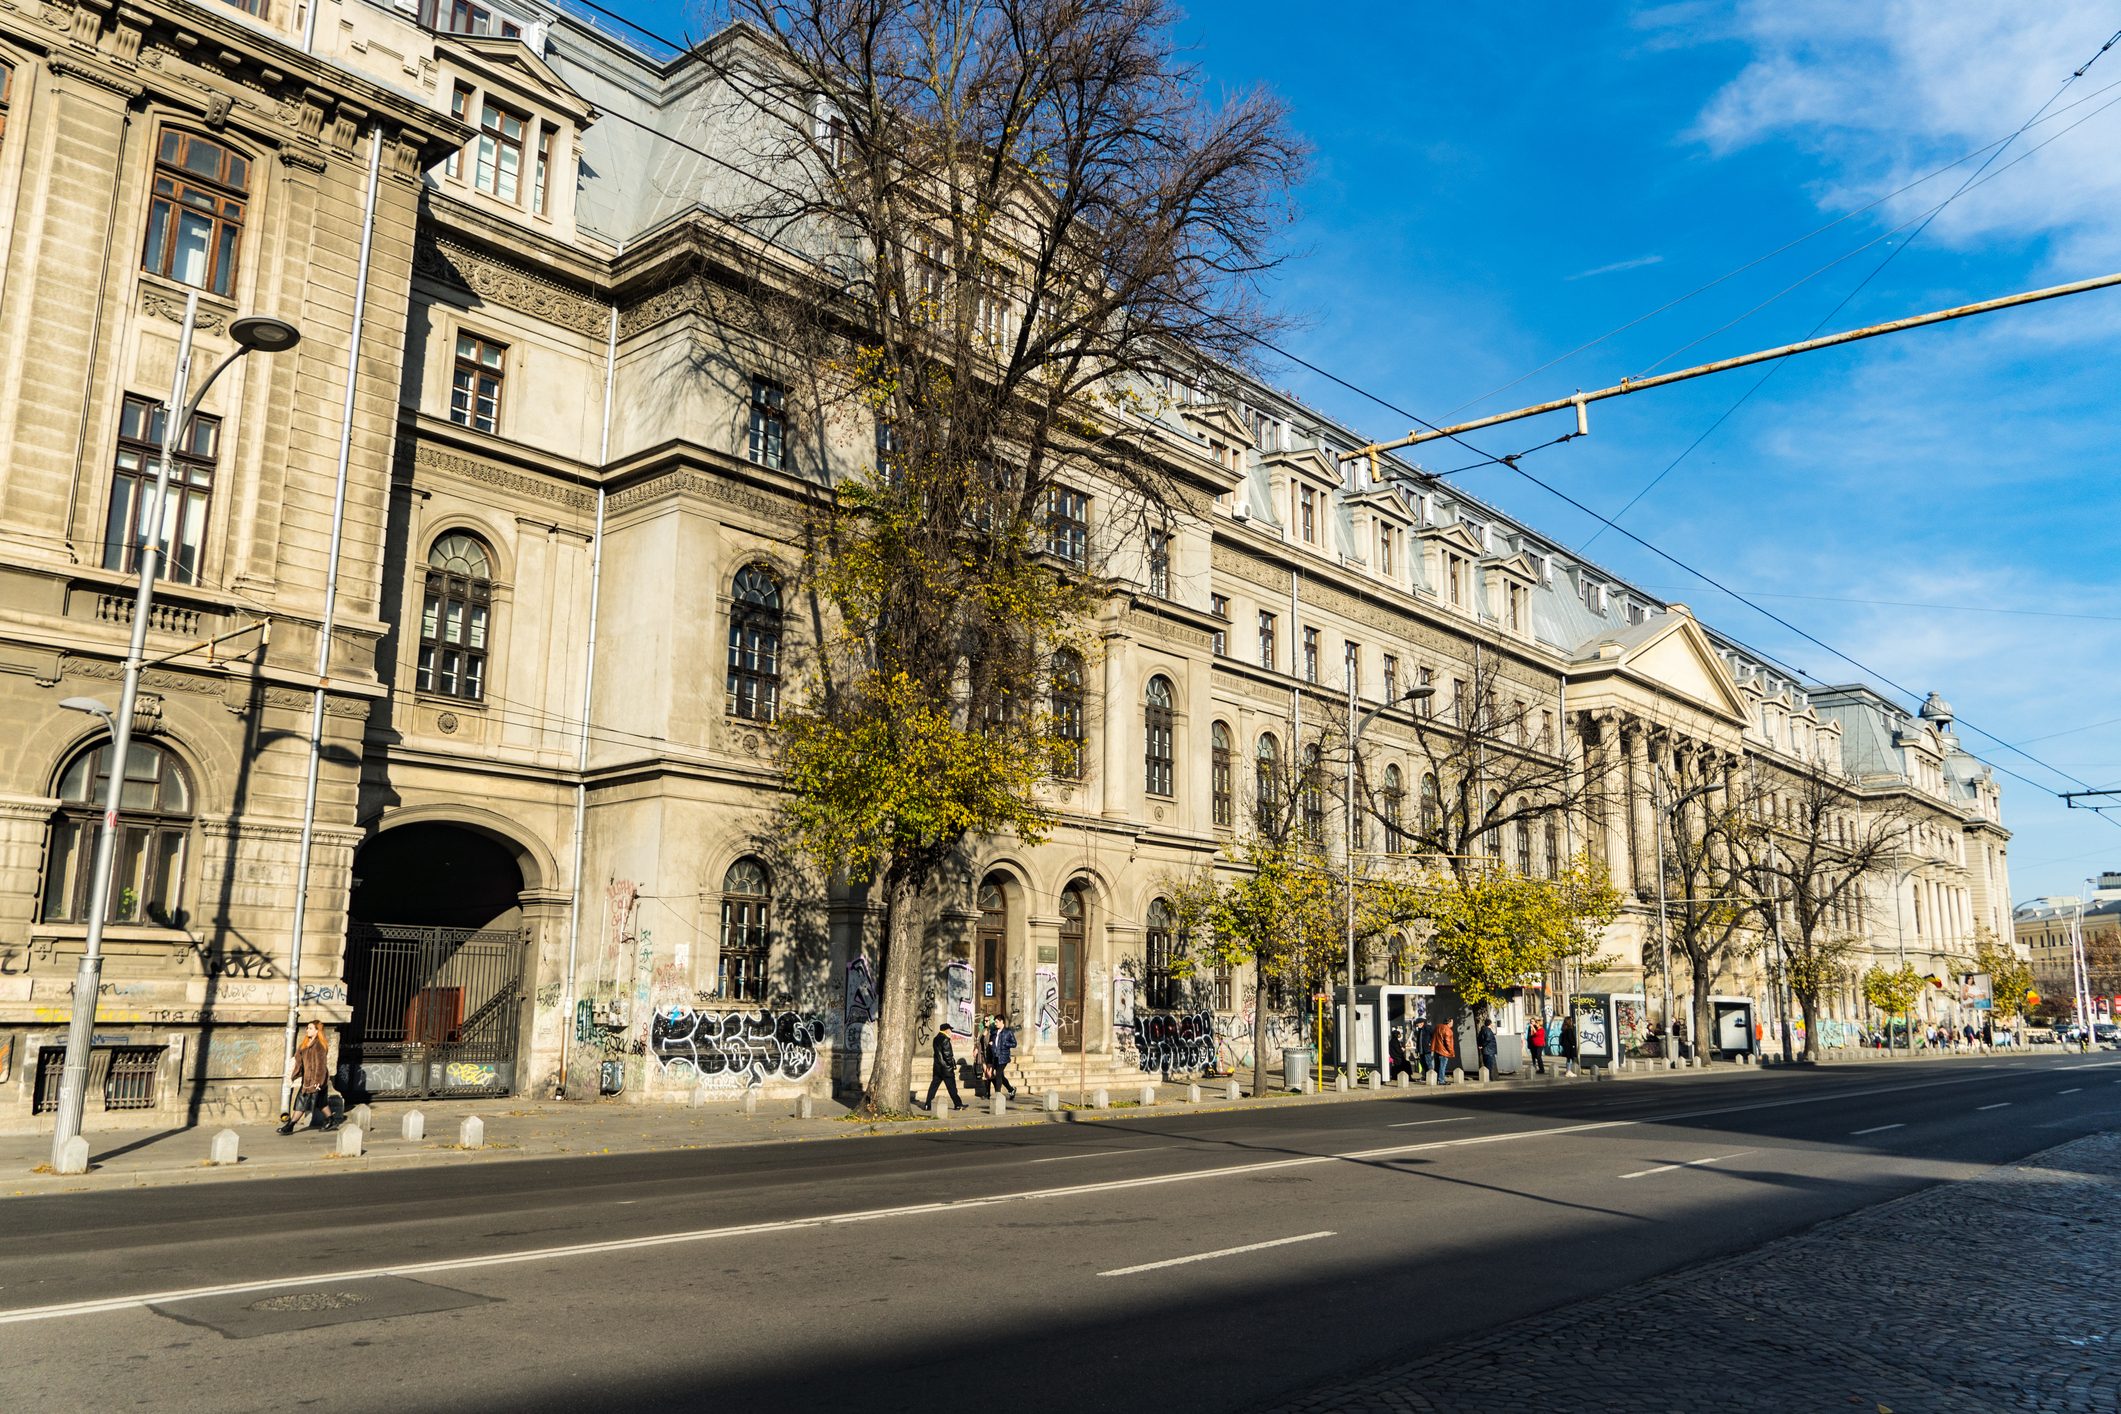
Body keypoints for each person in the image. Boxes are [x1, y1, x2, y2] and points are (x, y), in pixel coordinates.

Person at [279, 1020, 337, 1135]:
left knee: (310, 1102)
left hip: (316, 1080)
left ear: (317, 1031)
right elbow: (298, 1059)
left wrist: (318, 1081)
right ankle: (331, 1120)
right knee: (315, 1102)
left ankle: (290, 1126)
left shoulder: (319, 1045)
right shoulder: (305, 1043)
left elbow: (321, 1065)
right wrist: (295, 1073)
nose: (307, 1030)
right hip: (307, 1079)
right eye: (307, 1028)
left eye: (310, 1028)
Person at [924, 1024, 964, 1111]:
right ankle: (958, 1104)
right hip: (946, 1069)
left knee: (933, 1088)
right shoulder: (945, 1039)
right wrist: (952, 1065)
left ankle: (927, 1105)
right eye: (950, 1030)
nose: (950, 1032)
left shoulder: (936, 1038)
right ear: (946, 1030)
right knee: (952, 1088)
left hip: (937, 1068)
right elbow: (947, 1055)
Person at [989, 1016, 1018, 1094]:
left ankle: (997, 1093)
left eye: (996, 1022)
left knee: (998, 1074)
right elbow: (992, 1041)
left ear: (1002, 1021)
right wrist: (991, 1044)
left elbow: (1014, 1044)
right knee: (1001, 1075)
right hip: (995, 1056)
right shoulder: (995, 1032)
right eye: (995, 1022)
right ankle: (1011, 1089)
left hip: (1003, 1057)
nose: (995, 1024)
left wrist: (1005, 1044)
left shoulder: (1008, 1032)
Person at [1429, 1015, 1455, 1083]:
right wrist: (1450, 1050)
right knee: (1442, 1066)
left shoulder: (1438, 1026)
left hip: (1436, 1049)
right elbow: (1447, 1042)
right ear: (1449, 1023)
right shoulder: (1448, 1030)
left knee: (1437, 1065)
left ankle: (1436, 1079)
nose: (1452, 1024)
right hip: (1443, 1051)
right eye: (1452, 1022)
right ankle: (1441, 1080)